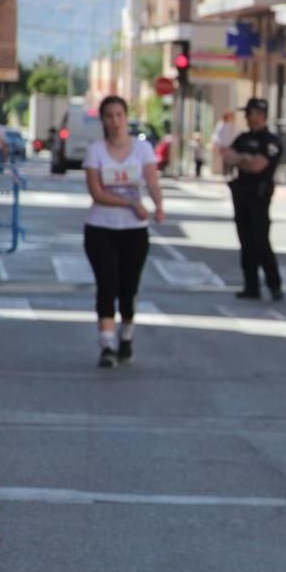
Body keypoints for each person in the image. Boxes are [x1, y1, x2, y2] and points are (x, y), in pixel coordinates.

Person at [83, 95, 165, 368]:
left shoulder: (142, 149)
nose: (115, 121)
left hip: (134, 231)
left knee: (128, 288)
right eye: (109, 116)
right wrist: (130, 202)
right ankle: (107, 345)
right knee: (107, 284)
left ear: (125, 117)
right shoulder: (95, 150)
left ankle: (126, 337)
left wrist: (158, 205)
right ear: (103, 120)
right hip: (100, 228)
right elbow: (96, 193)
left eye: (119, 115)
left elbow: (152, 181)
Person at [221, 98, 283, 301]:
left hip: (259, 197)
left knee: (261, 242)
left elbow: (258, 166)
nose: (247, 117)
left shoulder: (271, 141)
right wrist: (244, 159)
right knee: (246, 242)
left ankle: (274, 285)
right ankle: (251, 286)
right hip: (241, 195)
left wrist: (244, 160)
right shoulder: (244, 138)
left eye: (250, 113)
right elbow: (227, 155)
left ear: (260, 114)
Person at [212, 111, 237, 177]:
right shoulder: (221, 124)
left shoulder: (232, 125)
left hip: (231, 145)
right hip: (223, 145)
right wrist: (218, 144)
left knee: (231, 159)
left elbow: (234, 135)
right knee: (225, 159)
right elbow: (217, 134)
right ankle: (225, 173)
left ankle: (230, 172)